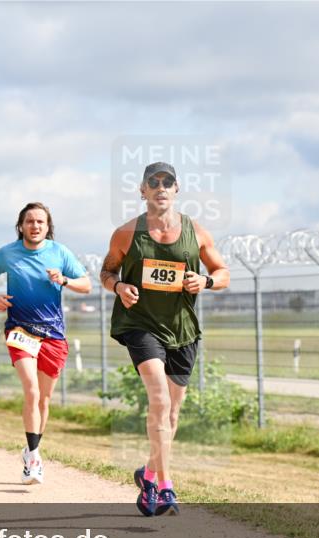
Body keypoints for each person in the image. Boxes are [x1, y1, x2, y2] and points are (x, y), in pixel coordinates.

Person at [100, 161, 229, 516]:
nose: (160, 187)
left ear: (176, 189)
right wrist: (120, 286)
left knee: (172, 412)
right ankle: (165, 486)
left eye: (167, 182)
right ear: (142, 190)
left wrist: (206, 282)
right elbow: (107, 271)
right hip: (140, 324)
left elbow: (223, 272)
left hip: (183, 329)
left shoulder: (196, 232)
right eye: (152, 182)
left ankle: (150, 471)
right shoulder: (126, 233)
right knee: (158, 399)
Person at [0, 202, 91, 484]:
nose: (35, 226)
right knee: (30, 390)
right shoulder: (8, 253)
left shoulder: (60, 252)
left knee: (43, 398)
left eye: (40, 222)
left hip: (53, 334)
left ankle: (33, 448)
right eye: (29, 221)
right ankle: (33, 458)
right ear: (21, 226)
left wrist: (64, 279)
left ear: (47, 226)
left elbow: (86, 284)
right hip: (20, 331)